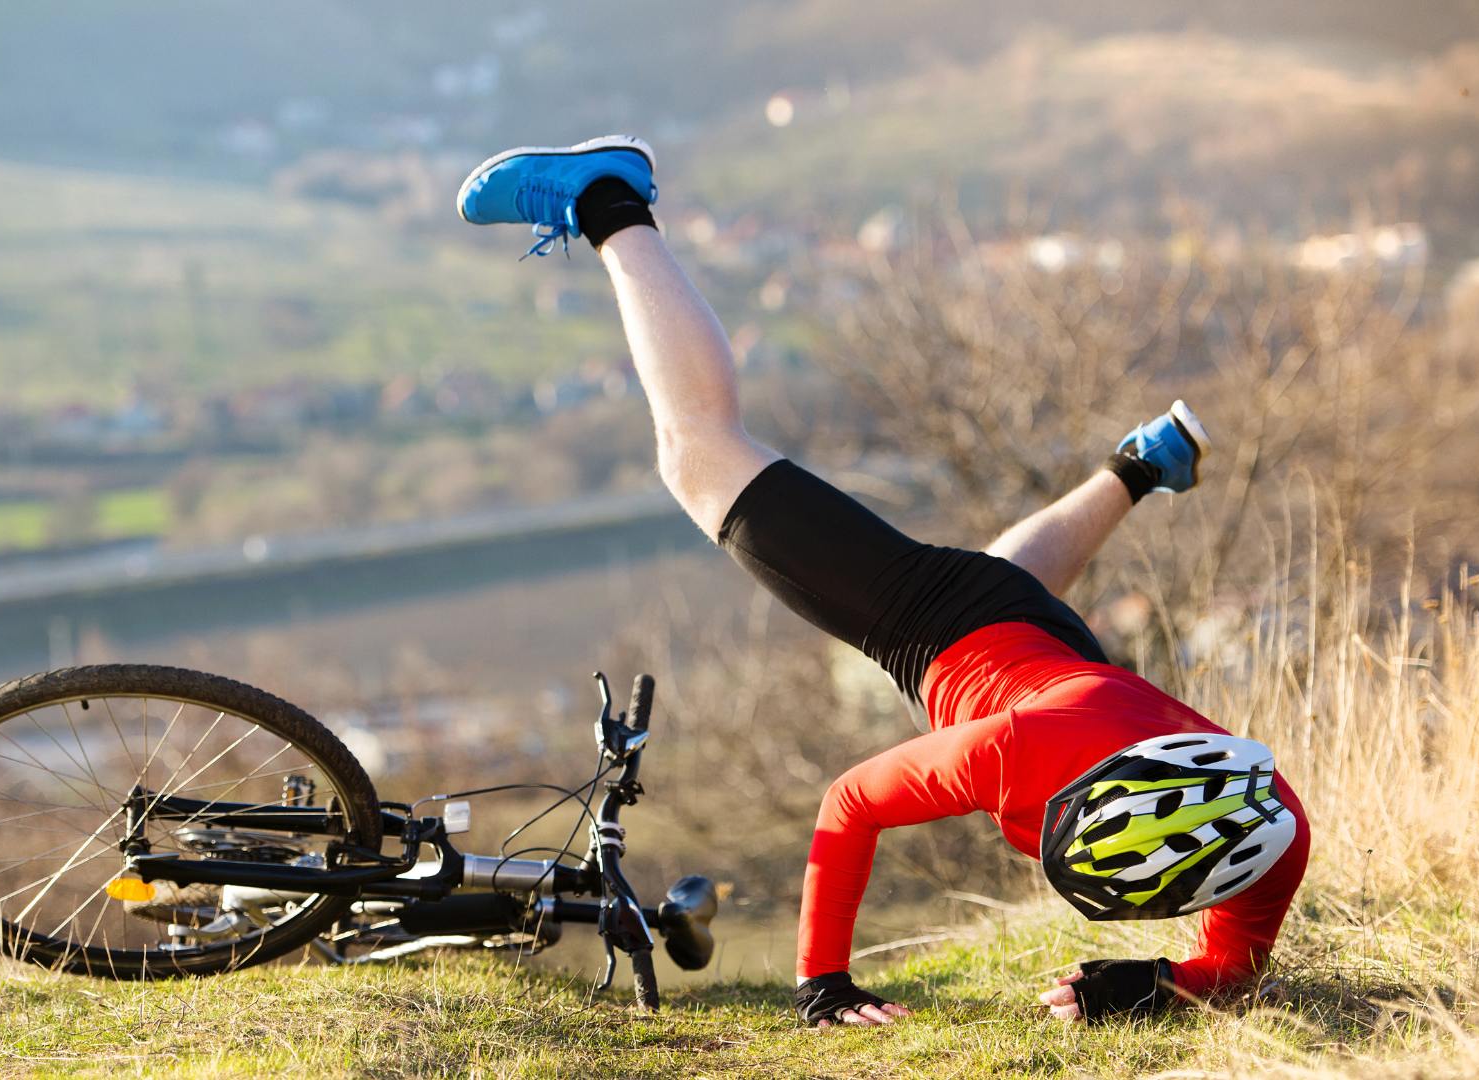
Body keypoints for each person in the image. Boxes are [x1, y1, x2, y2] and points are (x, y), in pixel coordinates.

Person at [455, 137, 1309, 1027]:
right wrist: (824, 984)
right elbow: (851, 802)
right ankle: (609, 202)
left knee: (1006, 586)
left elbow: (1230, 968)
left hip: (1046, 650)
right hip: (939, 634)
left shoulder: (1272, 826)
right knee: (699, 454)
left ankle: (1141, 465)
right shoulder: (1013, 751)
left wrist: (1154, 981)